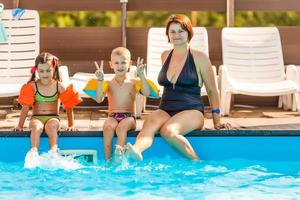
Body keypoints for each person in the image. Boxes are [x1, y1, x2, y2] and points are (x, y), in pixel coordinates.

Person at [126, 14, 231, 161]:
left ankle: (196, 162)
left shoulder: (200, 58)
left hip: (192, 111)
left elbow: (212, 90)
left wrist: (217, 121)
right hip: (166, 108)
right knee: (149, 123)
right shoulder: (165, 56)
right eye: (172, 32)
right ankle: (135, 151)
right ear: (168, 35)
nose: (176, 35)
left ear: (189, 33)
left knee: (168, 131)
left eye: (181, 31)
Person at [83, 47, 159, 161]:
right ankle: (108, 161)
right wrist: (99, 81)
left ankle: (120, 159)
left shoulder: (134, 82)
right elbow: (99, 99)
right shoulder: (107, 83)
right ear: (111, 64)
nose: (120, 66)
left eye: (123, 62)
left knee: (121, 128)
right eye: (117, 63)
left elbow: (147, 93)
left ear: (130, 63)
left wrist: (142, 76)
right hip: (112, 116)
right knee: (108, 128)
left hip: (129, 118)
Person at [15, 52, 82, 164]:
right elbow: (25, 108)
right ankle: (34, 152)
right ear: (36, 70)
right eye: (41, 71)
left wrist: (71, 125)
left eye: (48, 70)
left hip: (53, 118)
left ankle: (53, 152)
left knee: (51, 126)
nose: (45, 74)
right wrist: (20, 126)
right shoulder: (32, 86)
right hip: (36, 117)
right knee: (36, 127)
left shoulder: (58, 86)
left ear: (54, 68)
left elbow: (68, 106)